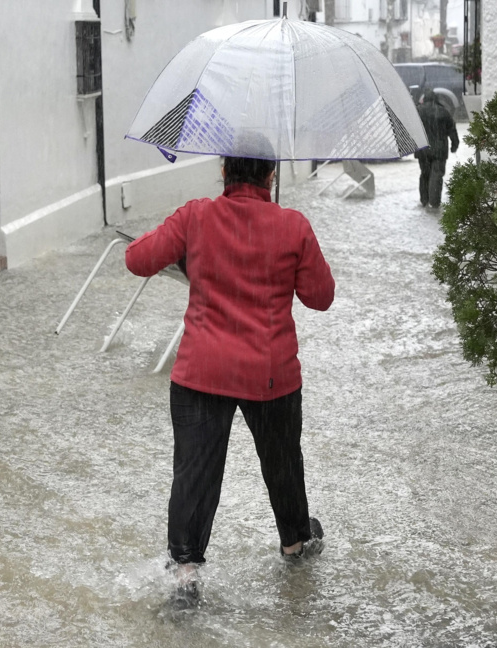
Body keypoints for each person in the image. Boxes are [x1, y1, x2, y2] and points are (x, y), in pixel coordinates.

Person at [125, 153, 335, 610]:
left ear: (224, 170)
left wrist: (185, 250)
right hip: (270, 373)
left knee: (194, 474)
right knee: (282, 462)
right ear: (271, 174)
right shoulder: (293, 225)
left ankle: (184, 573)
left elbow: (137, 259)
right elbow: (321, 297)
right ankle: (296, 543)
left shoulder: (195, 216)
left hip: (203, 371)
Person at [415, 88, 460, 208]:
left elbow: (411, 130)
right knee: (436, 174)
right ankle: (434, 203)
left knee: (425, 173)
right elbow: (452, 130)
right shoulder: (443, 112)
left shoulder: (417, 112)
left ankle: (424, 200)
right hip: (439, 150)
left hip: (423, 149)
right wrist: (454, 145)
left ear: (424, 100)